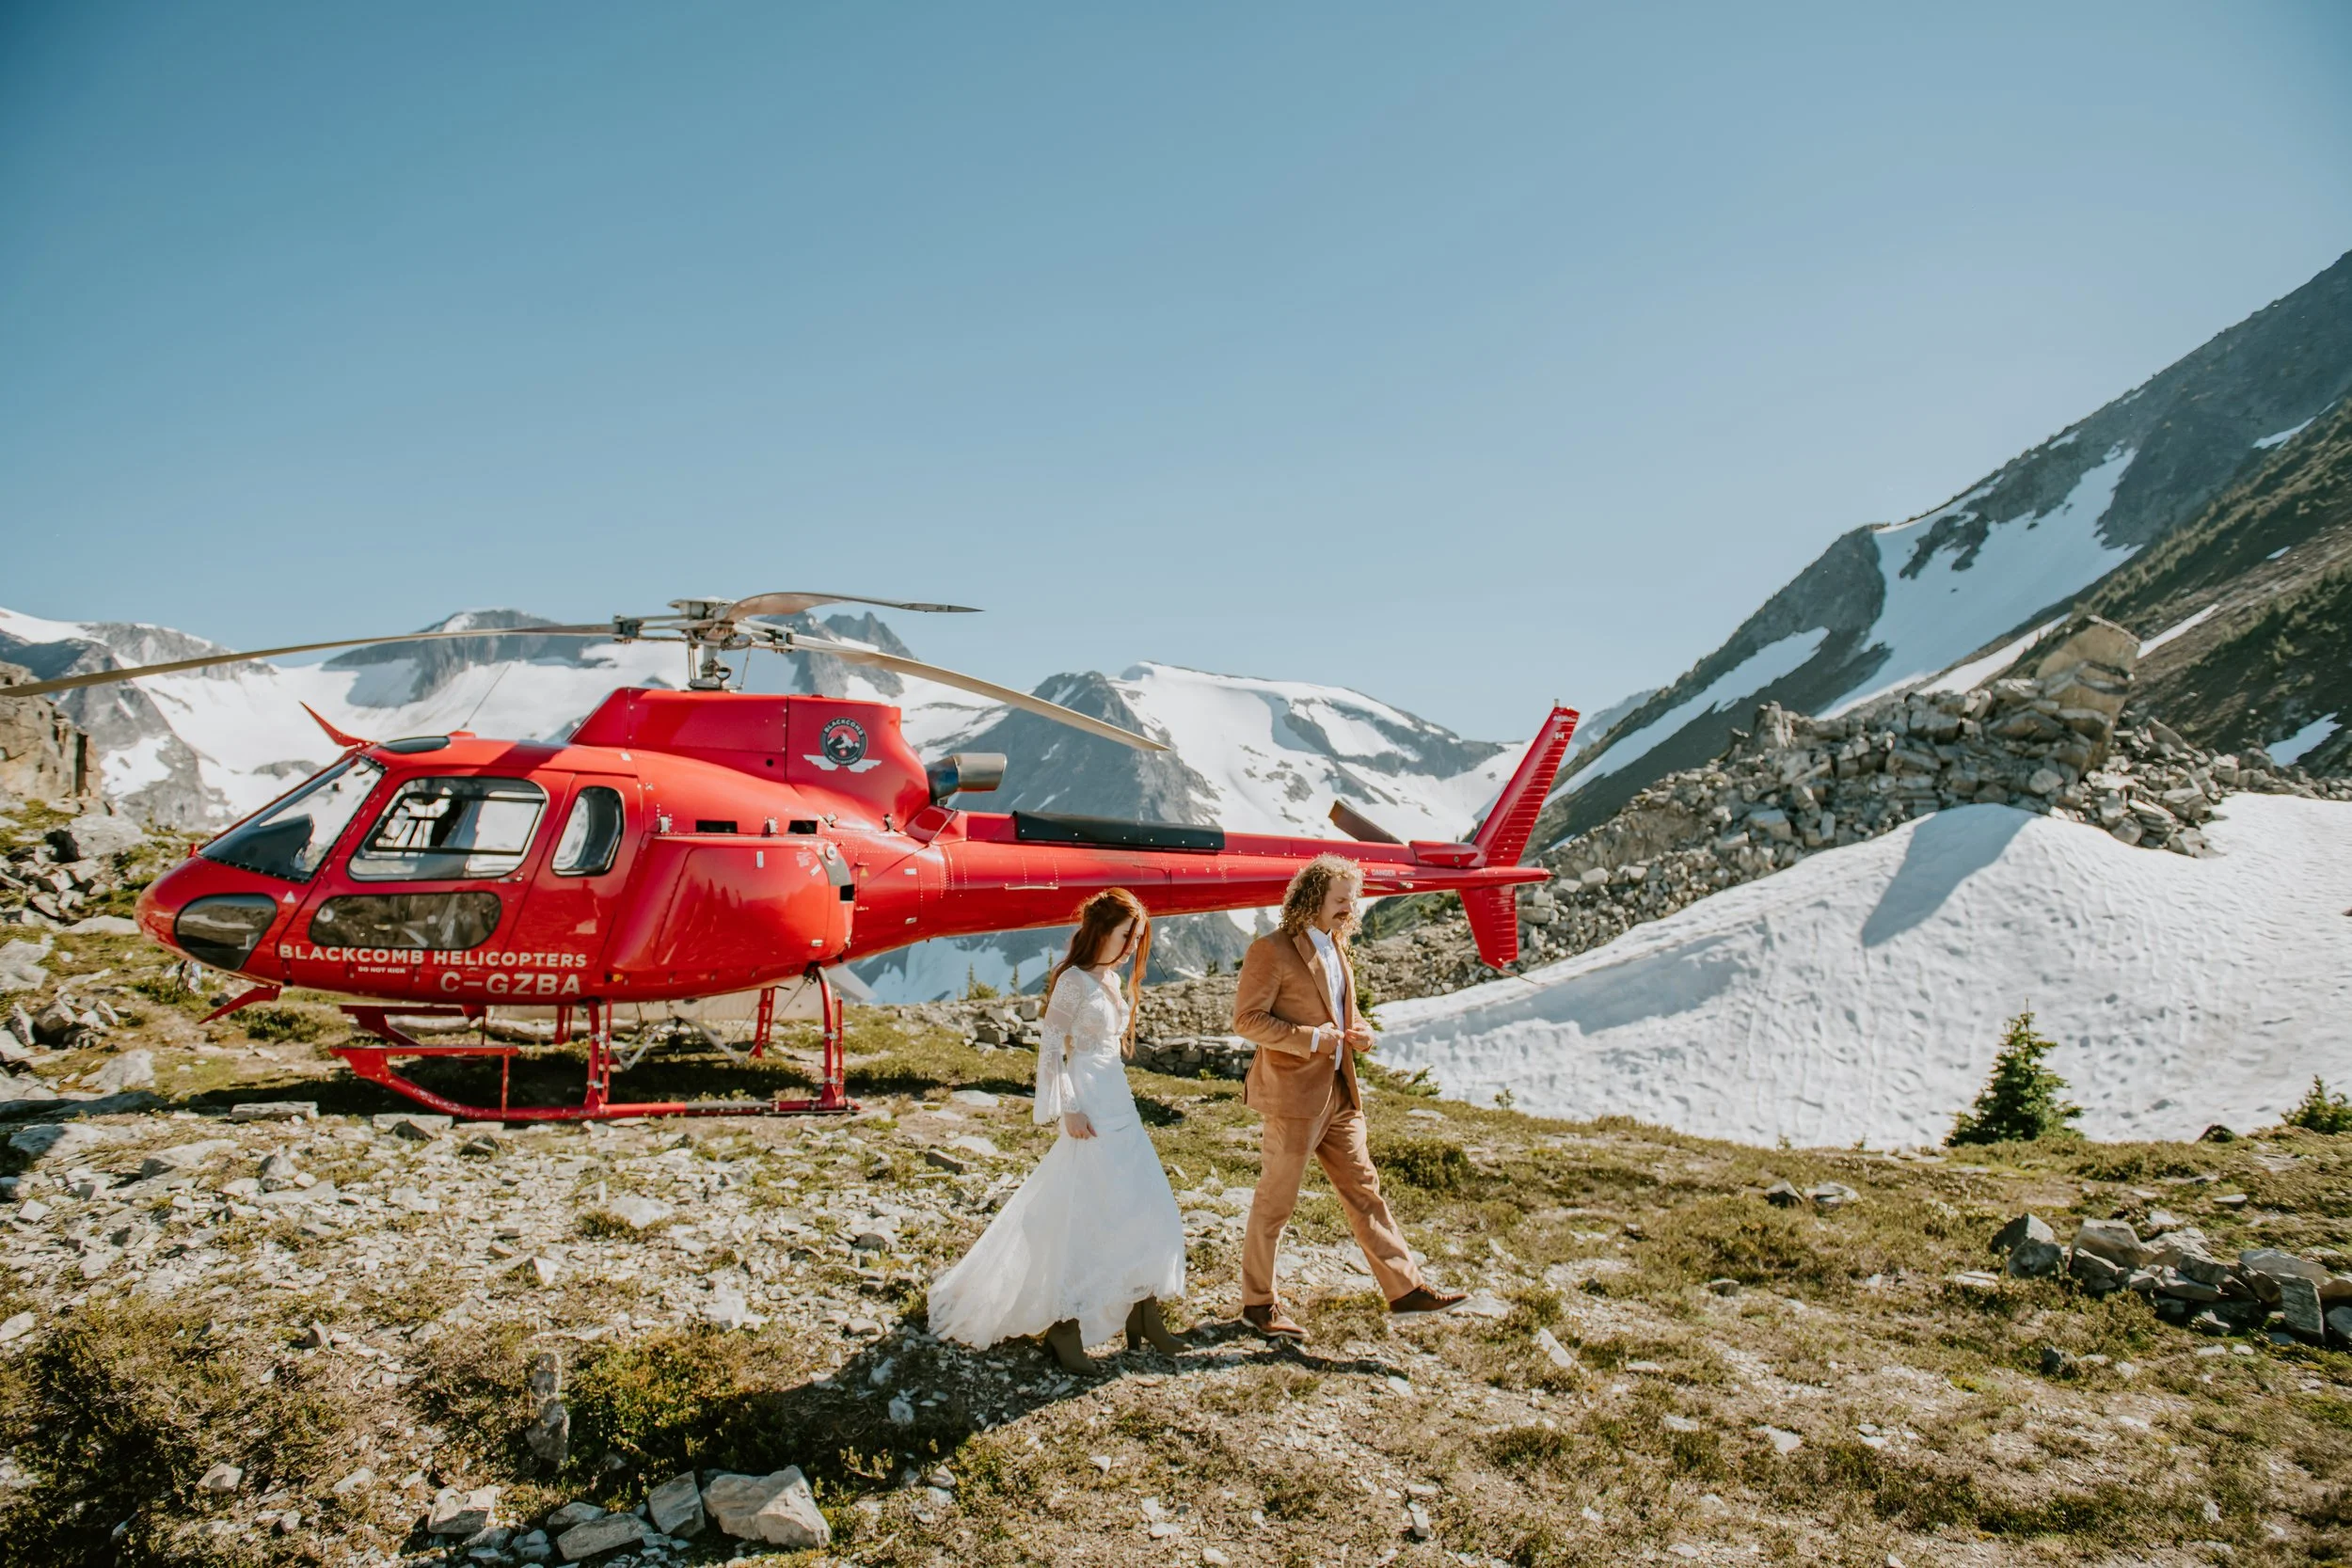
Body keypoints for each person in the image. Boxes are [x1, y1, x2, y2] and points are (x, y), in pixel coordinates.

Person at [927, 888, 1187, 1372]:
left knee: (1147, 1204)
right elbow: (1051, 1046)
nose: (1132, 945)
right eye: (1127, 934)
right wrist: (1067, 1107)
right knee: (1088, 1212)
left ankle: (1143, 1314)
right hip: (1088, 1101)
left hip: (1118, 1101)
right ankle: (1064, 1330)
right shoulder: (1073, 981)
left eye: (1137, 936)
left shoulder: (1110, 979)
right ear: (1101, 931)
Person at [1231, 853, 1464, 1339]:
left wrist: (1359, 1032)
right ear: (1313, 898)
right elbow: (1247, 1022)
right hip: (1293, 1099)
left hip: (1339, 1093)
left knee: (1365, 1192)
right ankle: (1258, 1304)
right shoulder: (1269, 951)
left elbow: (1340, 1013)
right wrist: (1313, 1038)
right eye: (1341, 899)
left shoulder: (1338, 945)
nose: (1349, 907)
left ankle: (1405, 1290)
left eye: (1352, 899)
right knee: (1276, 1203)